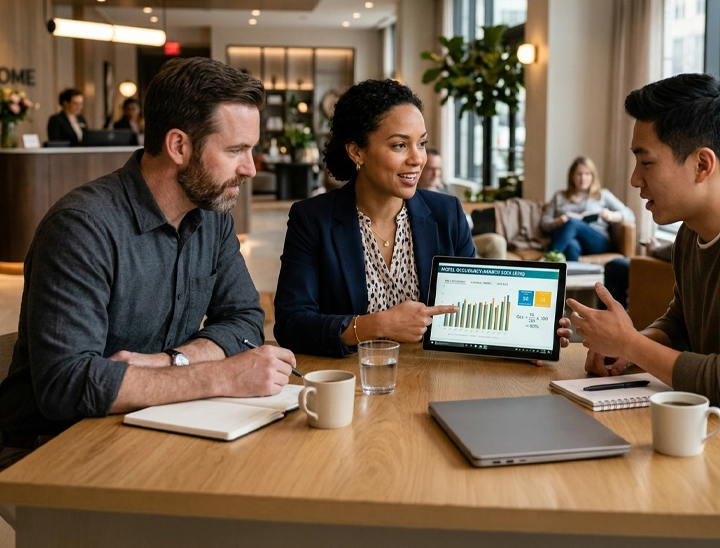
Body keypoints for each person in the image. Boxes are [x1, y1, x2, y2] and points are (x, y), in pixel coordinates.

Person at [0, 57, 295, 470]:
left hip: (154, 424)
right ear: (178, 146)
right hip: (54, 448)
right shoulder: (82, 228)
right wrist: (222, 375)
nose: (249, 168)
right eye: (235, 150)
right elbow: (65, 386)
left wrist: (170, 362)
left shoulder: (213, 219)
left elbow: (245, 320)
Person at [273, 80, 474, 357]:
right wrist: (378, 325)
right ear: (357, 151)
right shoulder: (312, 220)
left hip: (432, 375)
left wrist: (535, 335)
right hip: (354, 381)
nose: (418, 159)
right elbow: (291, 325)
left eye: (422, 143)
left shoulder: (447, 213)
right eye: (400, 145)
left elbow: (477, 306)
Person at [567, 73, 720, 403]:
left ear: (702, 165)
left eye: (646, 162)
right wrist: (626, 350)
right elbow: (680, 322)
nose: (635, 179)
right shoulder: (689, 235)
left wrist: (630, 343)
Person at [418, 146, 508, 260]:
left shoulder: (446, 191)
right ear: (420, 169)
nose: (436, 174)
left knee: (497, 241)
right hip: (442, 241)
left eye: (438, 169)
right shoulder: (415, 196)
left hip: (464, 236)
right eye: (431, 169)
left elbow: (464, 216)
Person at [541, 156, 634, 261]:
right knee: (572, 245)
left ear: (593, 176)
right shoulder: (559, 196)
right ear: (572, 176)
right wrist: (557, 222)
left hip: (597, 241)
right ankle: (572, 276)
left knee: (572, 222)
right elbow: (544, 223)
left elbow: (630, 214)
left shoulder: (602, 195)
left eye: (587, 174)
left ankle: (547, 260)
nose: (583, 178)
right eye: (579, 174)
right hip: (570, 240)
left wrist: (611, 216)